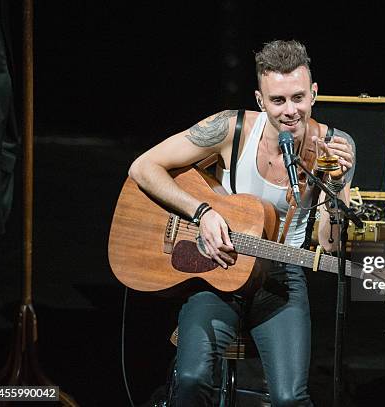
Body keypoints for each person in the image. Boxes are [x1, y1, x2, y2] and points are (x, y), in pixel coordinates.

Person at [128, 39, 355, 406]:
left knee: (288, 400)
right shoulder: (229, 129)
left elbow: (329, 245)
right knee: (191, 379)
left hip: (281, 277)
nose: (290, 111)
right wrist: (201, 212)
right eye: (277, 101)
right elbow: (143, 167)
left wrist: (335, 184)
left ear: (314, 94)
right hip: (220, 269)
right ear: (260, 100)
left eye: (298, 98)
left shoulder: (334, 146)